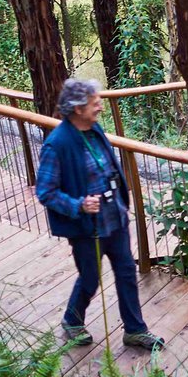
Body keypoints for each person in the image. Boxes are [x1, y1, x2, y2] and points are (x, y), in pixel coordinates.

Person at [36, 78, 165, 352]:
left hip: (114, 217)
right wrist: (78, 204)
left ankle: (135, 330)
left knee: (127, 272)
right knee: (90, 277)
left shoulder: (95, 130)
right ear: (78, 108)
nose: (101, 107)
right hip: (87, 226)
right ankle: (72, 319)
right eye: (95, 103)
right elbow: (45, 192)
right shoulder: (57, 144)